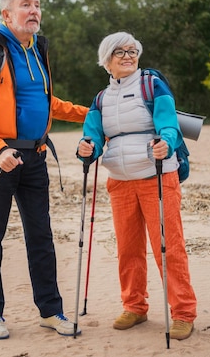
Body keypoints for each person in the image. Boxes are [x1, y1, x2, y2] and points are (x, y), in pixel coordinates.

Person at [0, 0, 88, 340]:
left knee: (41, 237)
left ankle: (50, 311)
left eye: (37, 5)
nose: (34, 11)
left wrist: (91, 113)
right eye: (25, 5)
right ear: (7, 14)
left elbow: (47, 102)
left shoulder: (36, 51)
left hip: (35, 157)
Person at [77, 32, 197, 340]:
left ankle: (183, 313)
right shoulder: (101, 99)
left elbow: (168, 122)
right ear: (107, 61)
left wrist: (167, 142)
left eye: (133, 51)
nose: (128, 56)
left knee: (168, 247)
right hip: (120, 182)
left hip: (158, 177)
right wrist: (86, 147)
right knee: (127, 250)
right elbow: (93, 135)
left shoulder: (152, 85)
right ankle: (135, 306)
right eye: (120, 52)